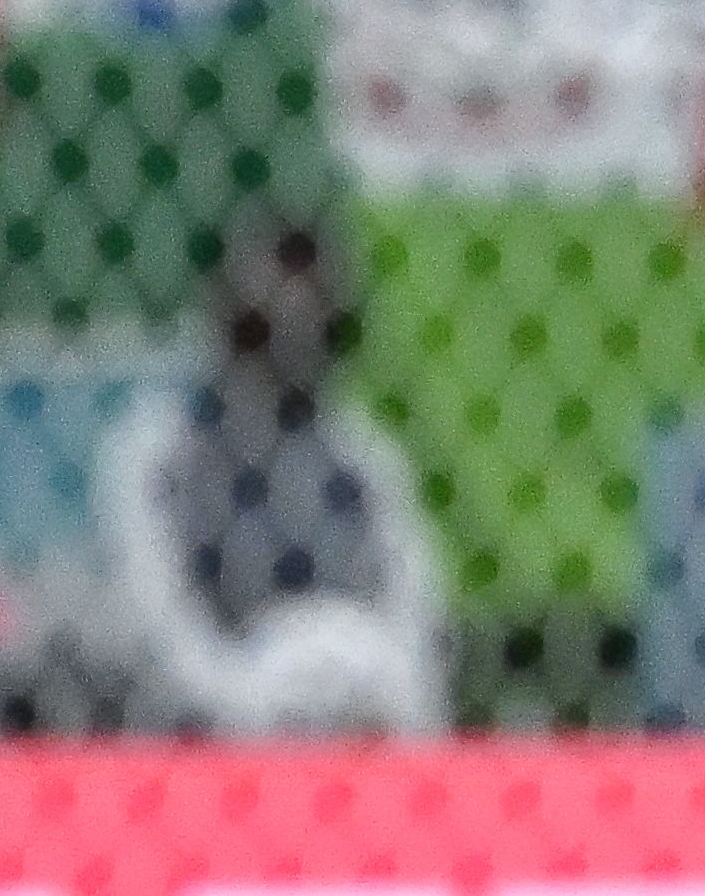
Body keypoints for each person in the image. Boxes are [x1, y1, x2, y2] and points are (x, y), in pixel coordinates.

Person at [96, 202, 450, 738]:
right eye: (277, 290)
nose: (295, 313)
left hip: (351, 706)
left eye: (310, 290)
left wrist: (373, 685)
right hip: (217, 722)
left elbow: (411, 610)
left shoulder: (359, 454)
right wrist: (251, 698)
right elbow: (158, 619)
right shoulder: (161, 450)